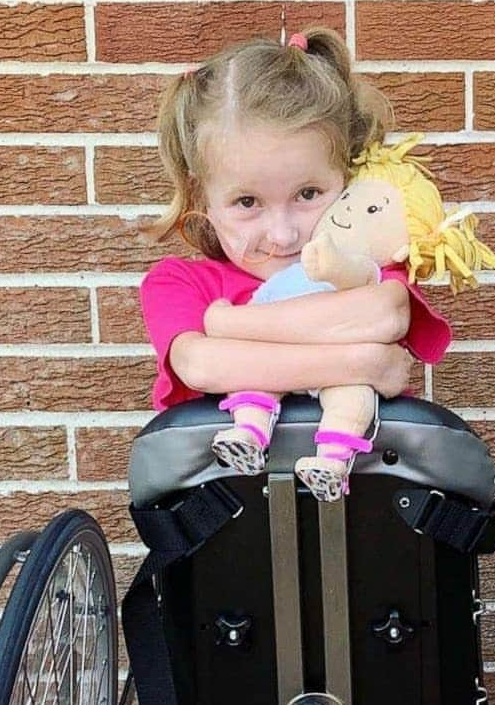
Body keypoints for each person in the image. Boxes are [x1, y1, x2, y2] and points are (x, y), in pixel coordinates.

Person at [141, 26, 461, 482]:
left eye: (308, 193)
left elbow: (386, 315)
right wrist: (362, 362)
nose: (283, 233)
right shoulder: (178, 283)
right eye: (247, 202)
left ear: (347, 180)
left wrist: (224, 325)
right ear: (201, 198)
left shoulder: (358, 268)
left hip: (371, 525)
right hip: (228, 526)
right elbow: (200, 365)